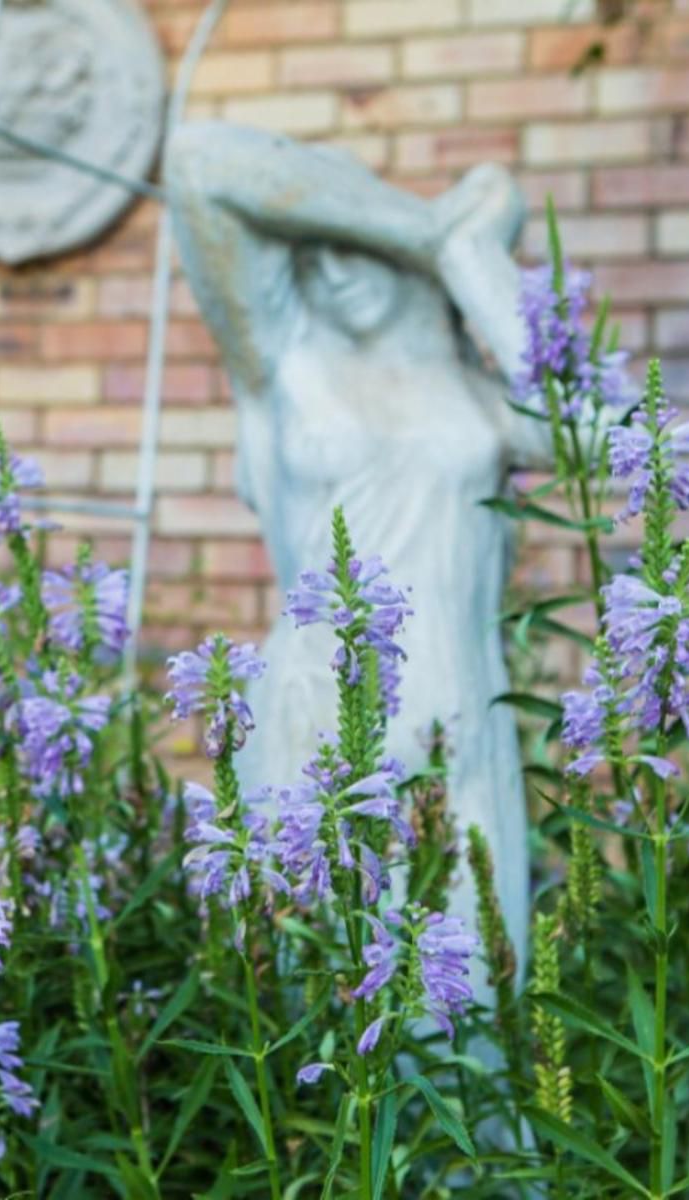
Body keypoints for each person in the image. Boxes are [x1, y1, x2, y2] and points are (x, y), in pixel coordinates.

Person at [167, 121, 549, 986]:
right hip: (316, 730)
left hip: (460, 730)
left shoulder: (477, 399)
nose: (337, 269)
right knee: (323, 1024)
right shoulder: (287, 369)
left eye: (356, 245)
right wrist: (417, 225)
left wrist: (471, 255)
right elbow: (201, 162)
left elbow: (602, 439)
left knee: (474, 1025)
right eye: (318, 247)